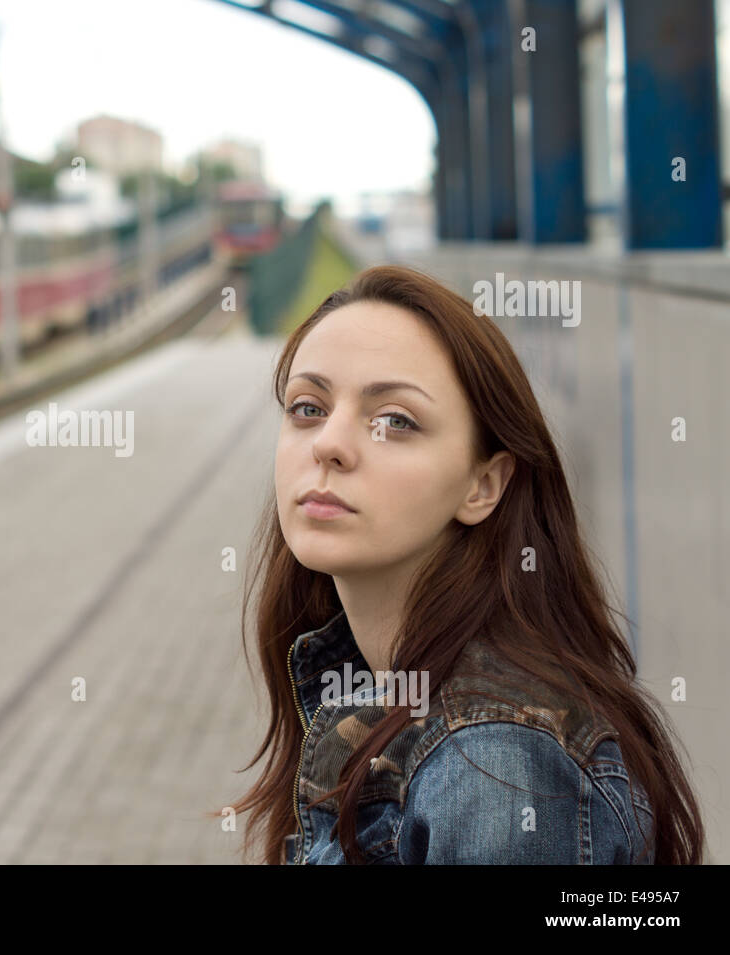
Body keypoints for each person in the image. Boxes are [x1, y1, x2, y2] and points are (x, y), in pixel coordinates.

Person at [230, 265, 704, 864]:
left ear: (483, 485)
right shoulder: (375, 687)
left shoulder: (497, 764)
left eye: (395, 421)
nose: (328, 443)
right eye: (307, 407)